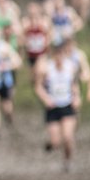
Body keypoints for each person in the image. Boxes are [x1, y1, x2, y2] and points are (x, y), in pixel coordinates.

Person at [34, 38, 81, 171]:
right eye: (57, 55)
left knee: (68, 137)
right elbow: (38, 87)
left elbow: (74, 85)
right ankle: (51, 144)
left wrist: (77, 97)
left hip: (67, 105)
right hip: (53, 107)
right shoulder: (46, 69)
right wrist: (46, 99)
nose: (59, 58)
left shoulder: (70, 67)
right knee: (56, 141)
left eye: (62, 54)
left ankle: (67, 160)